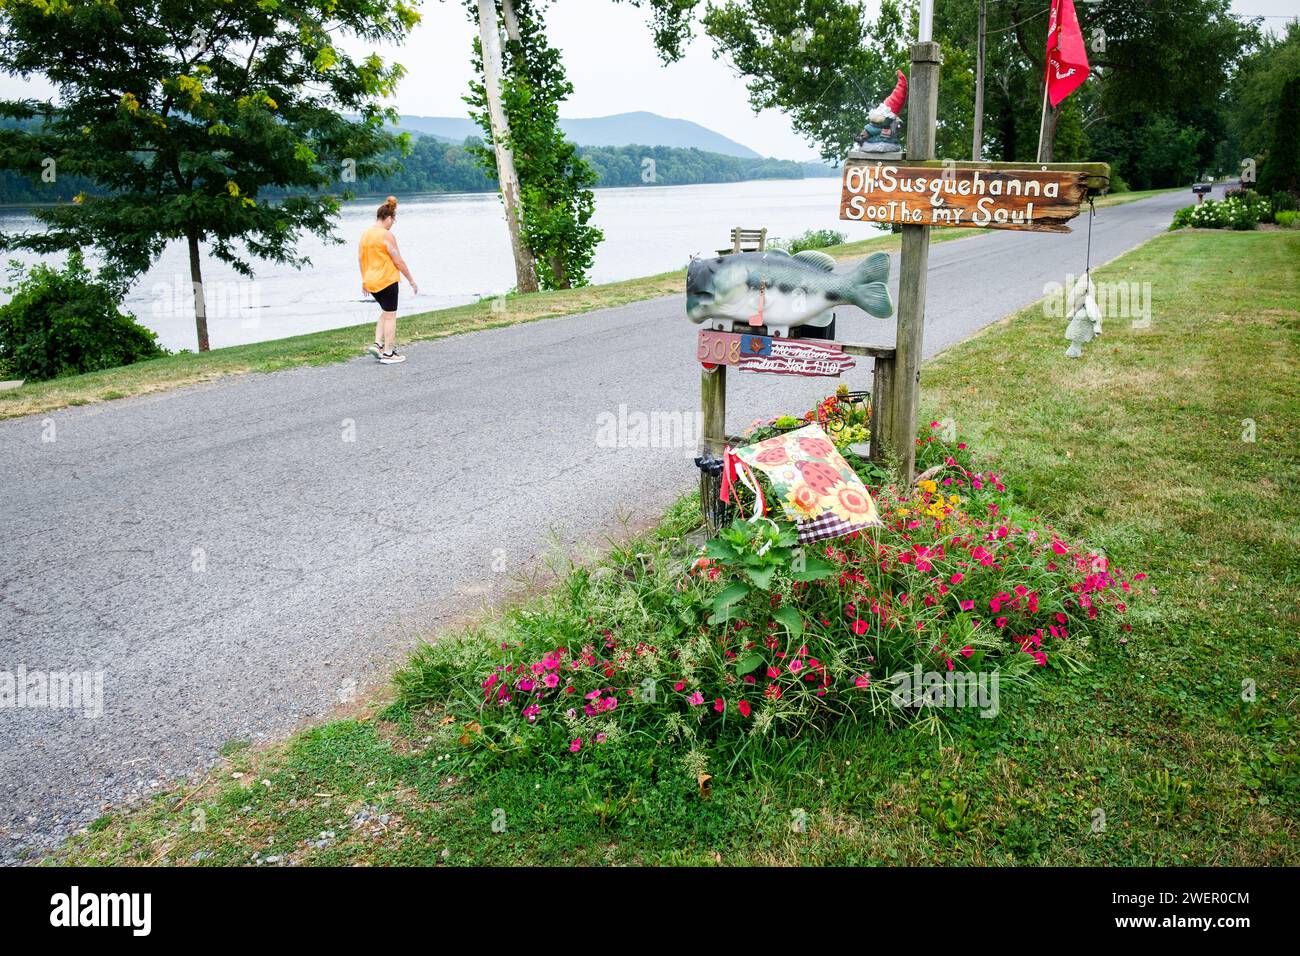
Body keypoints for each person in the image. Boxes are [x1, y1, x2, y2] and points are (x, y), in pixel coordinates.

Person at [358, 195, 417, 364]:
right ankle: (389, 353)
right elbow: (398, 260)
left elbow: (360, 259)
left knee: (385, 312)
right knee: (391, 316)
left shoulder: (365, 234)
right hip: (387, 280)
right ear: (388, 218)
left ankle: (378, 344)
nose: (392, 224)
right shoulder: (386, 235)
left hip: (371, 281)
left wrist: (364, 280)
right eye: (393, 220)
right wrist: (411, 280)